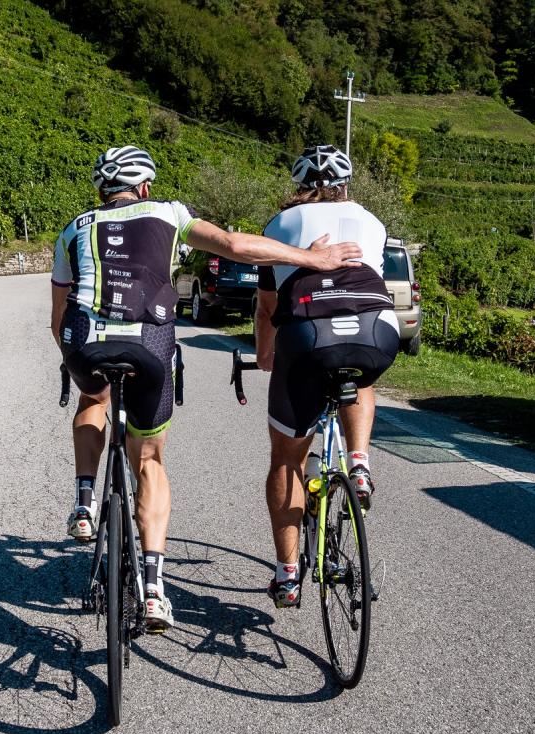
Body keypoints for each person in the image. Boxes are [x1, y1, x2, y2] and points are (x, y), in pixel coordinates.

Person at [51, 145, 364, 632]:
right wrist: (310, 258)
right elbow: (236, 246)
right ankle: (153, 590)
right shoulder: (170, 212)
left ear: (101, 190)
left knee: (95, 399)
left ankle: (85, 498)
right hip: (150, 344)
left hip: (84, 343)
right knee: (149, 460)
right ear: (146, 186)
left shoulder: (72, 229)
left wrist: (76, 361)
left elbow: (57, 318)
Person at [255, 145, 400, 609]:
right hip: (377, 329)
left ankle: (289, 574)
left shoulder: (279, 227)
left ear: (299, 184)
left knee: (286, 460)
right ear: (346, 184)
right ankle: (358, 463)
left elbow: (268, 307)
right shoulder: (373, 221)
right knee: (360, 374)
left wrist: (264, 356)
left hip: (307, 335)